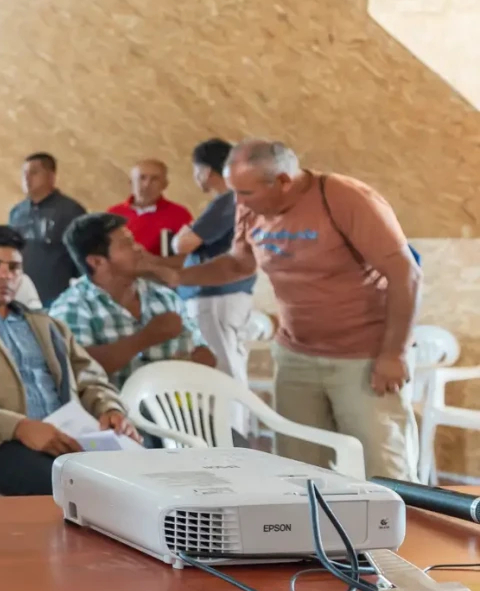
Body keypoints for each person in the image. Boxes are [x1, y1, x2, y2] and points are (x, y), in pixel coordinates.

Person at [143, 140, 421, 480]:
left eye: (246, 193)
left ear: (284, 181)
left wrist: (394, 354)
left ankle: (401, 534)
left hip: (364, 359)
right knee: (299, 471)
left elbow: (405, 274)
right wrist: (178, 275)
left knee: (383, 470)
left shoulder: (345, 198)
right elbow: (237, 265)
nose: (238, 203)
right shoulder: (248, 207)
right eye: (235, 192)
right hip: (297, 356)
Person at [0, 226, 137, 495]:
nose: (5, 275)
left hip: (68, 435)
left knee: (141, 473)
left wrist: (110, 409)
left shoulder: (47, 325)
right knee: (75, 489)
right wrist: (19, 426)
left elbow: (89, 377)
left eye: (14, 267)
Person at [50, 212, 214, 387]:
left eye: (133, 241)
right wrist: (146, 337)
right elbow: (78, 369)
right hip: (112, 412)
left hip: (173, 410)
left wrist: (189, 362)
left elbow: (207, 357)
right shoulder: (72, 308)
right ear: (97, 262)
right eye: (126, 244)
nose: (138, 248)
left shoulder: (164, 297)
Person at [167, 138, 257, 383]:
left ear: (206, 171)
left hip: (216, 296)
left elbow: (183, 244)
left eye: (196, 171)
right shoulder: (240, 200)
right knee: (231, 367)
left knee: (223, 372)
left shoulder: (227, 201)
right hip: (226, 296)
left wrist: (184, 231)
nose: (196, 177)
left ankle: (231, 423)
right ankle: (236, 422)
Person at [8, 152, 85, 306]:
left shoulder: (71, 211)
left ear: (51, 176)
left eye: (34, 172)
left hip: (56, 297)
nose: (27, 178)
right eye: (24, 173)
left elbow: (82, 257)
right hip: (19, 296)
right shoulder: (17, 213)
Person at [108, 159, 192, 257]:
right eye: (142, 178)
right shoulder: (113, 214)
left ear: (165, 184)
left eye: (155, 179)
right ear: (131, 182)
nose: (147, 184)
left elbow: (188, 257)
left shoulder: (179, 214)